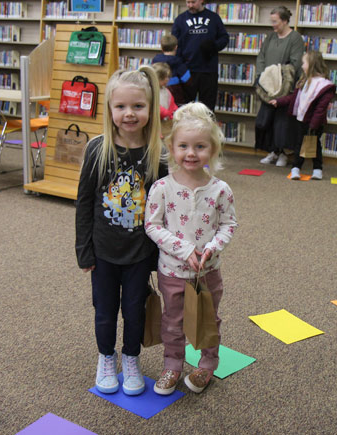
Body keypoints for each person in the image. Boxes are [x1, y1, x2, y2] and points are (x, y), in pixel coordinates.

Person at [75, 66, 168, 396]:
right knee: (104, 311)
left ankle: (131, 358)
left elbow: (163, 210)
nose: (129, 114)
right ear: (110, 109)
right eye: (121, 107)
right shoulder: (98, 149)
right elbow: (84, 204)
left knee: (134, 311)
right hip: (102, 253)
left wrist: (160, 255)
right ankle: (105, 357)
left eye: (138, 107)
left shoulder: (157, 154)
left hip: (140, 253)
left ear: (150, 108)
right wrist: (83, 250)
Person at [145, 102, 238, 395]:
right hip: (172, 271)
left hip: (208, 272)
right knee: (173, 321)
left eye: (200, 146)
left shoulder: (220, 190)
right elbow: (152, 225)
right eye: (183, 146)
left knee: (208, 319)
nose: (191, 153)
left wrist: (212, 247)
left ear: (212, 149)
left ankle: (208, 363)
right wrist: (184, 250)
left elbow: (229, 225)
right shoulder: (162, 187)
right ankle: (173, 364)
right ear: (171, 148)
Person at [269, 51, 336, 180]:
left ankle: (317, 169)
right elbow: (293, 98)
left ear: (311, 64)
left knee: (315, 145)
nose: (301, 66)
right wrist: (279, 101)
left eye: (304, 63)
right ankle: (296, 168)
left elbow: (320, 109)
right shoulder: (304, 81)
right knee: (299, 144)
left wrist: (313, 126)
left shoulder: (325, 86)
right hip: (302, 120)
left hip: (315, 123)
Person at [255, 5, 304, 167]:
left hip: (285, 87)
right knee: (267, 120)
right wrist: (263, 76)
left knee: (283, 122)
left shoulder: (295, 38)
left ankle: (283, 153)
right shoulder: (270, 37)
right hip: (267, 86)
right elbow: (261, 57)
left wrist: (278, 77)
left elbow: (295, 63)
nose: (273, 25)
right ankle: (272, 151)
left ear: (284, 21)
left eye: (275, 22)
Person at [171, 0, 229, 111]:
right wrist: (179, 66)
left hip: (208, 71)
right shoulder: (180, 19)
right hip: (187, 71)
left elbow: (224, 38)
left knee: (207, 109)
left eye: (193, 2)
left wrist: (214, 46)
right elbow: (175, 44)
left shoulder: (214, 18)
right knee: (185, 109)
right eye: (187, 2)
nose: (190, 5)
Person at [152, 34, 191, 106]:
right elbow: (186, 79)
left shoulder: (155, 60)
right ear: (176, 47)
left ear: (161, 48)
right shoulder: (178, 62)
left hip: (157, 90)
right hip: (175, 92)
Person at [151, 62, 178, 140]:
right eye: (164, 77)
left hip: (166, 121)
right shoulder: (151, 91)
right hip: (155, 123)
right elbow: (153, 105)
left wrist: (175, 111)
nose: (167, 79)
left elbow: (171, 102)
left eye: (168, 77)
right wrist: (164, 112)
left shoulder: (166, 90)